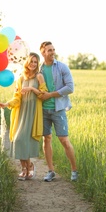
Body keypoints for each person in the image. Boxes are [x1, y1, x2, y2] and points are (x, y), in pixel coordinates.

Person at [0, 52, 47, 181]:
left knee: (24, 141)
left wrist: (31, 90)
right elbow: (17, 97)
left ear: (37, 64)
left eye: (36, 62)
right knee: (18, 139)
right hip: (21, 111)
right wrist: (6, 104)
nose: (33, 64)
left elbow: (43, 94)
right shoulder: (21, 78)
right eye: (31, 61)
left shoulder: (39, 77)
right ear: (27, 62)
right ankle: (25, 168)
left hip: (32, 112)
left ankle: (28, 167)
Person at [39, 41, 78, 182]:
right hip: (43, 110)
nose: (52, 52)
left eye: (53, 49)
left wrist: (50, 95)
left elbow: (70, 88)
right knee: (46, 138)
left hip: (58, 109)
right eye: (49, 50)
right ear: (43, 52)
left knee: (64, 140)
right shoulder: (39, 69)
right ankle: (51, 171)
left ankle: (74, 171)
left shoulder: (62, 67)